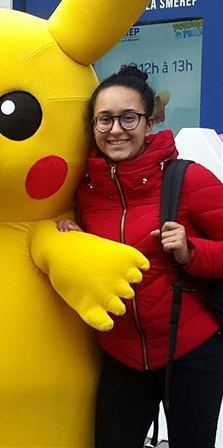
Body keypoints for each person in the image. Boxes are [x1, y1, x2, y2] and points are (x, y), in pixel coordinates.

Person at [57, 65, 223, 448]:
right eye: (105, 120)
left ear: (149, 123)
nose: (116, 130)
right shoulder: (83, 190)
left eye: (129, 118)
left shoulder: (187, 179)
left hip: (190, 350)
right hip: (122, 356)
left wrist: (190, 251)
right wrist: (76, 246)